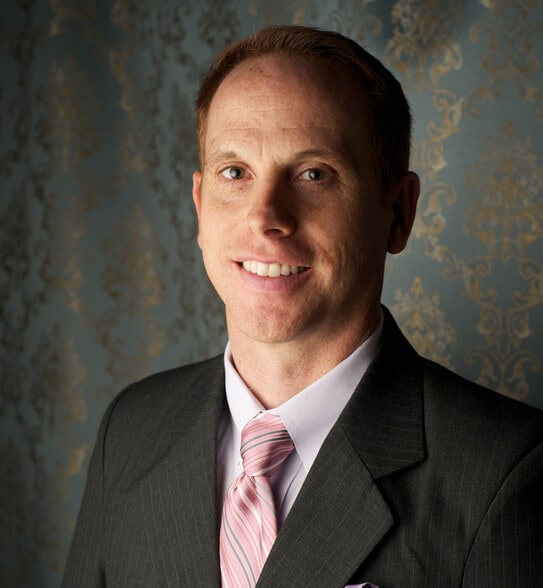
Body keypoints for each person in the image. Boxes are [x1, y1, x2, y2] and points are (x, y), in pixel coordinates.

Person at [62, 25, 543, 587]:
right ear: (199, 206)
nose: (266, 216)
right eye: (235, 172)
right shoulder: (131, 429)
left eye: (313, 174)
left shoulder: (507, 470)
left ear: (397, 212)